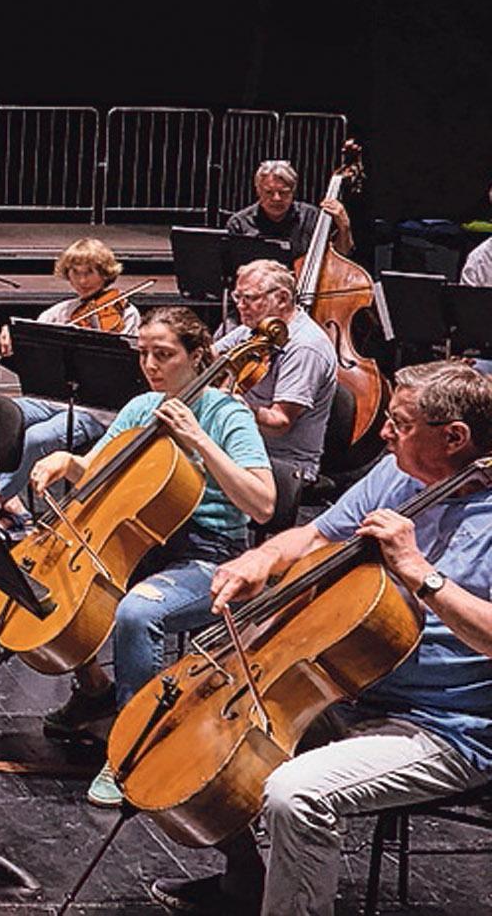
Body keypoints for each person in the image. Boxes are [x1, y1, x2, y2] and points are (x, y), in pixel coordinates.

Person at [146, 361, 492, 916]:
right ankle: (248, 883)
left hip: (447, 728)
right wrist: (259, 557)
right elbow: (312, 534)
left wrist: (420, 571)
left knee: (296, 794)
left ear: (455, 438)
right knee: (188, 735)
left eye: (400, 423)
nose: (382, 431)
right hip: (349, 687)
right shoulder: (395, 475)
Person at [27, 306, 275, 807]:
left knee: (138, 612)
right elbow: (95, 473)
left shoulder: (228, 415)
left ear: (199, 357)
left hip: (211, 556)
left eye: (164, 355)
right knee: (65, 590)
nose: (151, 366)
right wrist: (66, 462)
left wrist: (197, 439)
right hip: (142, 544)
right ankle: (95, 689)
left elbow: (264, 504)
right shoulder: (142, 408)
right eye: (144, 354)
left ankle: (133, 751)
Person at [0, 238, 142, 504]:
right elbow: (31, 335)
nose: (82, 280)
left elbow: (125, 366)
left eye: (89, 272)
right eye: (75, 272)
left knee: (35, 438)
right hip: (52, 399)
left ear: (105, 273)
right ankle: (10, 503)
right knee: (2, 417)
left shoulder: (127, 314)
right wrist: (11, 333)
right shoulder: (62, 310)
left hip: (95, 411)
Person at [214, 260, 339, 513]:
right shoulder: (257, 331)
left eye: (249, 298)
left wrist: (236, 405)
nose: (240, 306)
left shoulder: (305, 347)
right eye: (238, 297)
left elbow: (279, 422)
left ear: (282, 298)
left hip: (284, 464)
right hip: (245, 445)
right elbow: (211, 357)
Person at [224, 159, 353, 258]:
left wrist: (344, 227)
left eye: (283, 192)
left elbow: (341, 255)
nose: (276, 198)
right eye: (269, 192)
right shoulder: (239, 223)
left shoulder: (312, 217)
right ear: (258, 191)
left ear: (293, 191)